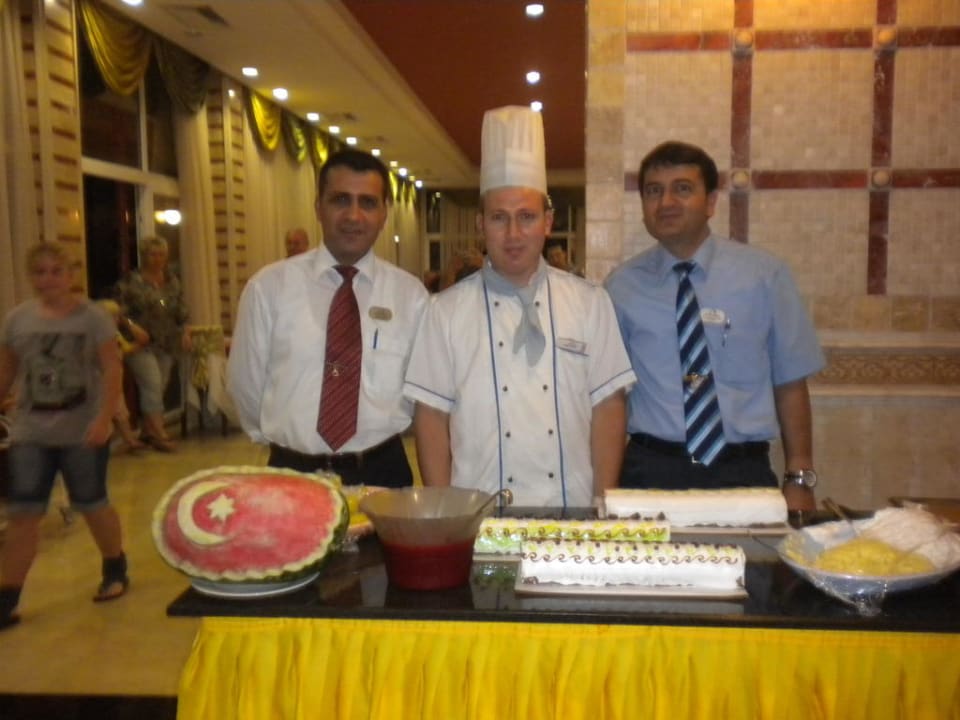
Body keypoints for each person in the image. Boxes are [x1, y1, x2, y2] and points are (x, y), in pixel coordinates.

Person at [404, 106, 636, 507]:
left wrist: (603, 503)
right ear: (480, 225)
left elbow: (608, 408)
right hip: (477, 514)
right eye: (499, 218)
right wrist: (445, 515)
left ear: (548, 221)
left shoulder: (590, 303)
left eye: (526, 217)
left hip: (572, 512)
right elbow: (431, 418)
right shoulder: (444, 312)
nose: (513, 234)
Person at [605, 141, 825, 513]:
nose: (666, 202)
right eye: (654, 191)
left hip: (742, 472)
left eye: (682, 188)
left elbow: (790, 384)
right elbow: (612, 398)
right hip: (650, 472)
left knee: (753, 556)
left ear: (710, 202)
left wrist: (799, 478)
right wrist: (605, 490)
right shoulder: (621, 287)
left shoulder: (764, 276)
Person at [228, 149, 429, 486]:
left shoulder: (411, 297)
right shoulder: (268, 288)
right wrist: (286, 446)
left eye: (367, 203)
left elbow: (422, 397)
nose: (353, 215)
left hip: (382, 473)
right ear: (318, 207)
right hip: (292, 473)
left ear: (384, 214)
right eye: (340, 200)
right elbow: (245, 386)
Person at [0, 243, 129, 631]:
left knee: (91, 503)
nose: (49, 279)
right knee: (23, 514)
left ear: (71, 274)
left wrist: (104, 418)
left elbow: (112, 368)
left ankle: (115, 567)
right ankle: (6, 598)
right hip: (30, 432)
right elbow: (7, 370)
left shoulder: (93, 319)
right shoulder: (17, 320)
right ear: (31, 277)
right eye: (40, 272)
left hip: (81, 431)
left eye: (56, 271)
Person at [117, 236, 191, 452]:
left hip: (166, 343)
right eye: (153, 254)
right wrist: (132, 326)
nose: (157, 259)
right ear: (144, 256)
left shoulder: (172, 281)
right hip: (140, 344)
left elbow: (181, 311)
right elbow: (118, 311)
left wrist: (185, 332)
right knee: (152, 384)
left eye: (161, 254)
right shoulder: (132, 281)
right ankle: (160, 433)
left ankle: (148, 431)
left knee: (159, 387)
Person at [96, 300, 149, 452]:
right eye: (112, 317)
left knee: (121, 411)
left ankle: (130, 440)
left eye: (117, 317)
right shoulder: (98, 336)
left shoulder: (116, 335)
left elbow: (127, 348)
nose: (116, 320)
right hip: (103, 381)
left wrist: (140, 342)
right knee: (109, 410)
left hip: (116, 381)